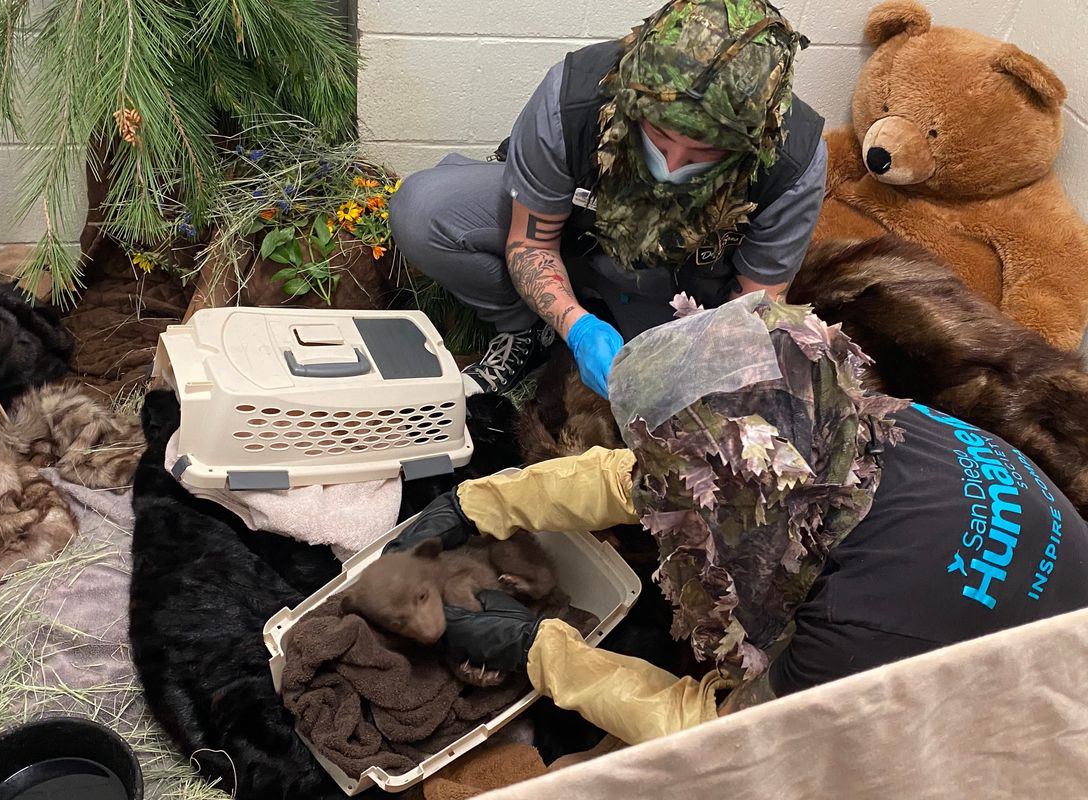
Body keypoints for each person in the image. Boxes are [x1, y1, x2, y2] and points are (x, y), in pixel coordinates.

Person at [385, 293, 1088, 745]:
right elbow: (672, 482)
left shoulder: (857, 625)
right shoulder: (865, 422)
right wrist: (482, 501)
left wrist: (542, 651)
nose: (660, 479)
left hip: (1024, 722)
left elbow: (722, 734)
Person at [389, 0, 825, 398]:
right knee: (424, 211)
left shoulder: (792, 161)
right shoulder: (576, 98)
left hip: (680, 286)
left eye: (703, 153)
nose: (672, 166)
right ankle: (525, 332)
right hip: (575, 238)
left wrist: (699, 365)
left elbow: (753, 306)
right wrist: (576, 327)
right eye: (658, 136)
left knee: (656, 394)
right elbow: (532, 243)